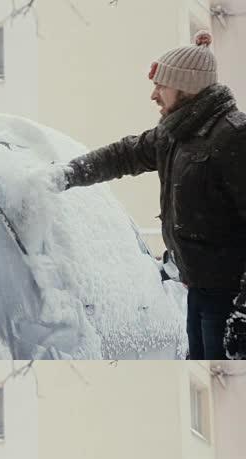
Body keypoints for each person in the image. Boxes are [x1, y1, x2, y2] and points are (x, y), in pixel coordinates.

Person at [47, 31, 246, 360]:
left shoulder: (233, 136)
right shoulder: (175, 134)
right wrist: (67, 174)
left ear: (186, 88)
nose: (154, 95)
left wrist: (242, 310)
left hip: (228, 297)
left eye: (162, 86)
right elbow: (123, 155)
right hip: (197, 290)